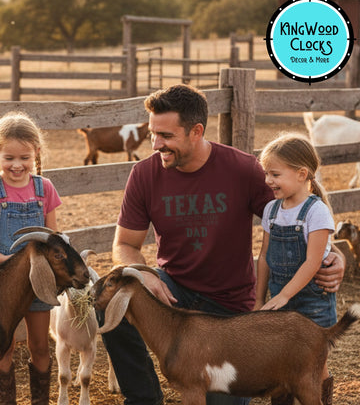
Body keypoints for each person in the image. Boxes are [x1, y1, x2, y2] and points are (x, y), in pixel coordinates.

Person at [100, 84, 345, 405]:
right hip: (174, 292)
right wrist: (142, 272)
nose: (156, 144)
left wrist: (335, 253)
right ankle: (144, 398)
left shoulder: (244, 170)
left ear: (196, 131)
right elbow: (125, 244)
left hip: (231, 309)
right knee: (110, 298)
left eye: (166, 136)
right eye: (152, 134)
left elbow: (303, 207)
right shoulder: (144, 175)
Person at [0, 111, 62, 405]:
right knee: (2, 347)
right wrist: (6, 263)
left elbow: (52, 236)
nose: (17, 165)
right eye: (9, 158)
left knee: (40, 345)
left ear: (36, 153)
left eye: (25, 157)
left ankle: (39, 401)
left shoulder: (43, 188)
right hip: (0, 281)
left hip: (37, 281)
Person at [255, 133, 336, 405]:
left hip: (312, 303)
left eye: (275, 174)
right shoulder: (271, 210)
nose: (268, 181)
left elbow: (312, 263)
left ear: (302, 174)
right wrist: (259, 299)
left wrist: (284, 296)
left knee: (313, 364)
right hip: (280, 301)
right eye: (266, 173)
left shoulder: (317, 212)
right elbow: (264, 256)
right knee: (280, 363)